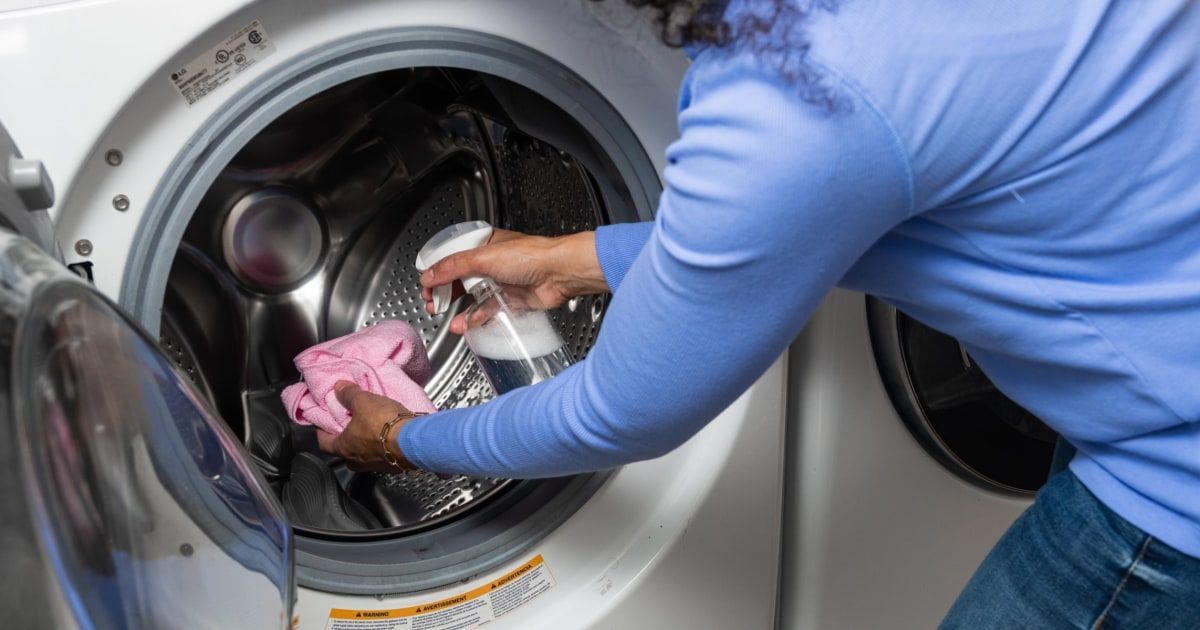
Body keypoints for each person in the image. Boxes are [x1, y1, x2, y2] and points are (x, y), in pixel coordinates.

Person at [318, 1, 1200, 625]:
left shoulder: (797, 87)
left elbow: (617, 413)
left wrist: (401, 440)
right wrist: (573, 260)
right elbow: (851, 207)